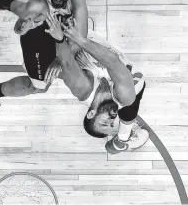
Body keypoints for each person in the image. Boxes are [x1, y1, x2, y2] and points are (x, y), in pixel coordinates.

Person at [44, 15, 149, 154]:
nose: (111, 120)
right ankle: (123, 140)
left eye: (105, 123)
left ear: (91, 113)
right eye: (113, 124)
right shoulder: (124, 97)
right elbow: (112, 60)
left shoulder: (83, 90)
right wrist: (80, 40)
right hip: (135, 82)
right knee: (129, 103)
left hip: (65, 37)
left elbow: (67, 64)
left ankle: (121, 141)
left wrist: (60, 39)